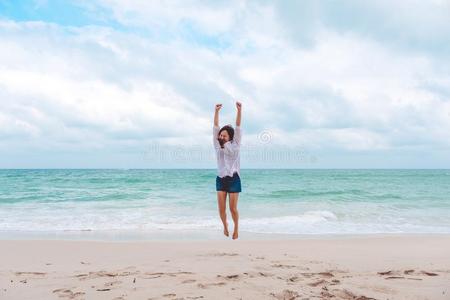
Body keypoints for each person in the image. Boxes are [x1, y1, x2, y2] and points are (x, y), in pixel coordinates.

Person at [213, 101, 242, 240]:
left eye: (224, 136)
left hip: (234, 179)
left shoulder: (235, 145)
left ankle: (236, 228)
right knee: (221, 209)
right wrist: (217, 112)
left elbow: (237, 127)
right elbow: (215, 127)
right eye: (220, 135)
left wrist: (239, 110)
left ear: (230, 137)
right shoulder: (217, 145)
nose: (221, 137)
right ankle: (225, 226)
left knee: (232, 209)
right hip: (221, 179)